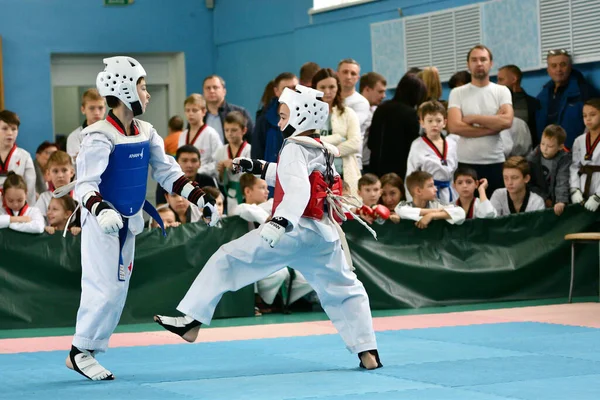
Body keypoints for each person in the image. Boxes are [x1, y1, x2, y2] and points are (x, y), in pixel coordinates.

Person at [154, 84, 382, 370]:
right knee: (345, 289)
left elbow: (297, 190)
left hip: (292, 231)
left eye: (285, 116)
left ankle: (191, 320)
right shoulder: (322, 149)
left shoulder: (293, 147)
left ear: (301, 115)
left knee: (227, 258)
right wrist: (257, 167)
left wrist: (279, 222)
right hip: (323, 234)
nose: (279, 122)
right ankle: (367, 351)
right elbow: (295, 177)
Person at [65, 56, 219, 381]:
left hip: (130, 221)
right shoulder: (98, 135)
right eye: (143, 87)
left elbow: (168, 173)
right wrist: (100, 209)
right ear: (123, 89)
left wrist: (199, 197)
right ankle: (79, 351)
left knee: (117, 291)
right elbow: (85, 185)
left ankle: (89, 349)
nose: (147, 95)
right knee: (102, 288)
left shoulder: (147, 131)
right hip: (102, 224)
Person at [447, 45, 514, 193]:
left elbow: (507, 121)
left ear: (491, 64)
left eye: (483, 59)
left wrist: (472, 118)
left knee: (496, 211)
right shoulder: (457, 93)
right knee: (468, 212)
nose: (479, 63)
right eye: (474, 60)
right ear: (468, 64)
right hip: (466, 162)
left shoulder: (502, 91)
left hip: (495, 161)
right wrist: (492, 127)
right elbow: (455, 127)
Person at [406, 101, 458, 203]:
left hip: (450, 192)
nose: (434, 124)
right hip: (427, 194)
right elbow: (410, 176)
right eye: (430, 121)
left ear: (444, 123)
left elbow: (455, 172)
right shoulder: (417, 145)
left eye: (438, 121)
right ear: (422, 123)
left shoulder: (452, 143)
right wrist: (412, 201)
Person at [527, 124, 571, 216]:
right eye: (542, 144)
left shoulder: (564, 159)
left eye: (550, 146)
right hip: (538, 199)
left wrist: (560, 201)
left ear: (560, 147)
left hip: (557, 199)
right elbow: (530, 183)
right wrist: (544, 198)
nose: (545, 149)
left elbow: (562, 180)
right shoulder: (533, 158)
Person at [396, 171, 465, 229]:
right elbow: (401, 211)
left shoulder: (437, 204)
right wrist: (436, 211)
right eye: (430, 186)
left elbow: (461, 212)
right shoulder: (403, 205)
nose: (436, 189)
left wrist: (431, 215)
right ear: (418, 191)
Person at [213, 111, 251, 215]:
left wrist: (235, 167)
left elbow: (252, 176)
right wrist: (221, 173)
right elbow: (220, 181)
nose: (230, 133)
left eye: (234, 130)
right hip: (230, 194)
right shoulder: (221, 151)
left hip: (247, 194)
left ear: (244, 130)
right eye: (227, 130)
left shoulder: (249, 150)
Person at [177, 93, 223, 178]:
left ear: (204, 111)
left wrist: (197, 170)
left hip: (205, 179)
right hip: (186, 179)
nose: (190, 114)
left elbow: (218, 162)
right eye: (187, 110)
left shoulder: (211, 134)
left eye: (194, 110)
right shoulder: (183, 135)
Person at [0, 110, 36, 205]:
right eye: (5, 128)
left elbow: (30, 189)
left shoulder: (25, 156)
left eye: (13, 129)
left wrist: (27, 212)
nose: (10, 133)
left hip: (17, 209)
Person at [570, 99, 600, 212]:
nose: (588, 118)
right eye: (584, 115)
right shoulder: (579, 140)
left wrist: (598, 197)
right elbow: (574, 167)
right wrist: (574, 189)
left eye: (592, 114)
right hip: (583, 192)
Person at [66, 89, 106, 162]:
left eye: (100, 108)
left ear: (105, 109)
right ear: (83, 109)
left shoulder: (113, 133)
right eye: (91, 108)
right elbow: (75, 165)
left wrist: (85, 155)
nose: (97, 112)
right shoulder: (75, 137)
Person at [34, 150, 75, 224]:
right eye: (55, 171)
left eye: (64, 170)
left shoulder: (79, 195)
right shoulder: (44, 198)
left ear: (72, 172)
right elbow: (37, 222)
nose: (60, 175)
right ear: (48, 173)